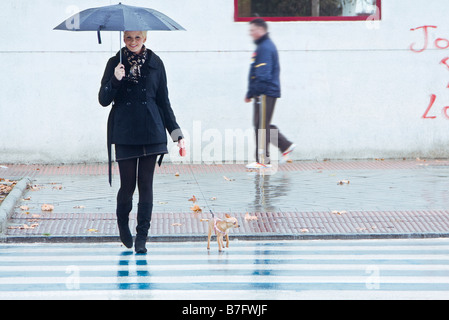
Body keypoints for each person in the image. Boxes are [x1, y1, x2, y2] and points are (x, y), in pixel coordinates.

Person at [98, 31, 185, 253]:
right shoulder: (114, 63)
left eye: (137, 38)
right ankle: (123, 224)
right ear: (123, 39)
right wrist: (115, 80)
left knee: (146, 184)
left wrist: (176, 134)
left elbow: (164, 101)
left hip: (151, 130)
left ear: (145, 38)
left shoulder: (156, 63)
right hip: (125, 131)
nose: (133, 42)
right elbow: (103, 99)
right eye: (128, 38)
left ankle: (142, 236)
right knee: (127, 185)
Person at [245, 18, 295, 169]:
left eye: (253, 30)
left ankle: (263, 160)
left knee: (261, 125)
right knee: (262, 124)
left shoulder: (265, 48)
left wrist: (256, 92)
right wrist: (250, 92)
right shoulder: (263, 46)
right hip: (264, 91)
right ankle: (285, 146)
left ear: (261, 30)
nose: (251, 33)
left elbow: (263, 73)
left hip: (265, 92)